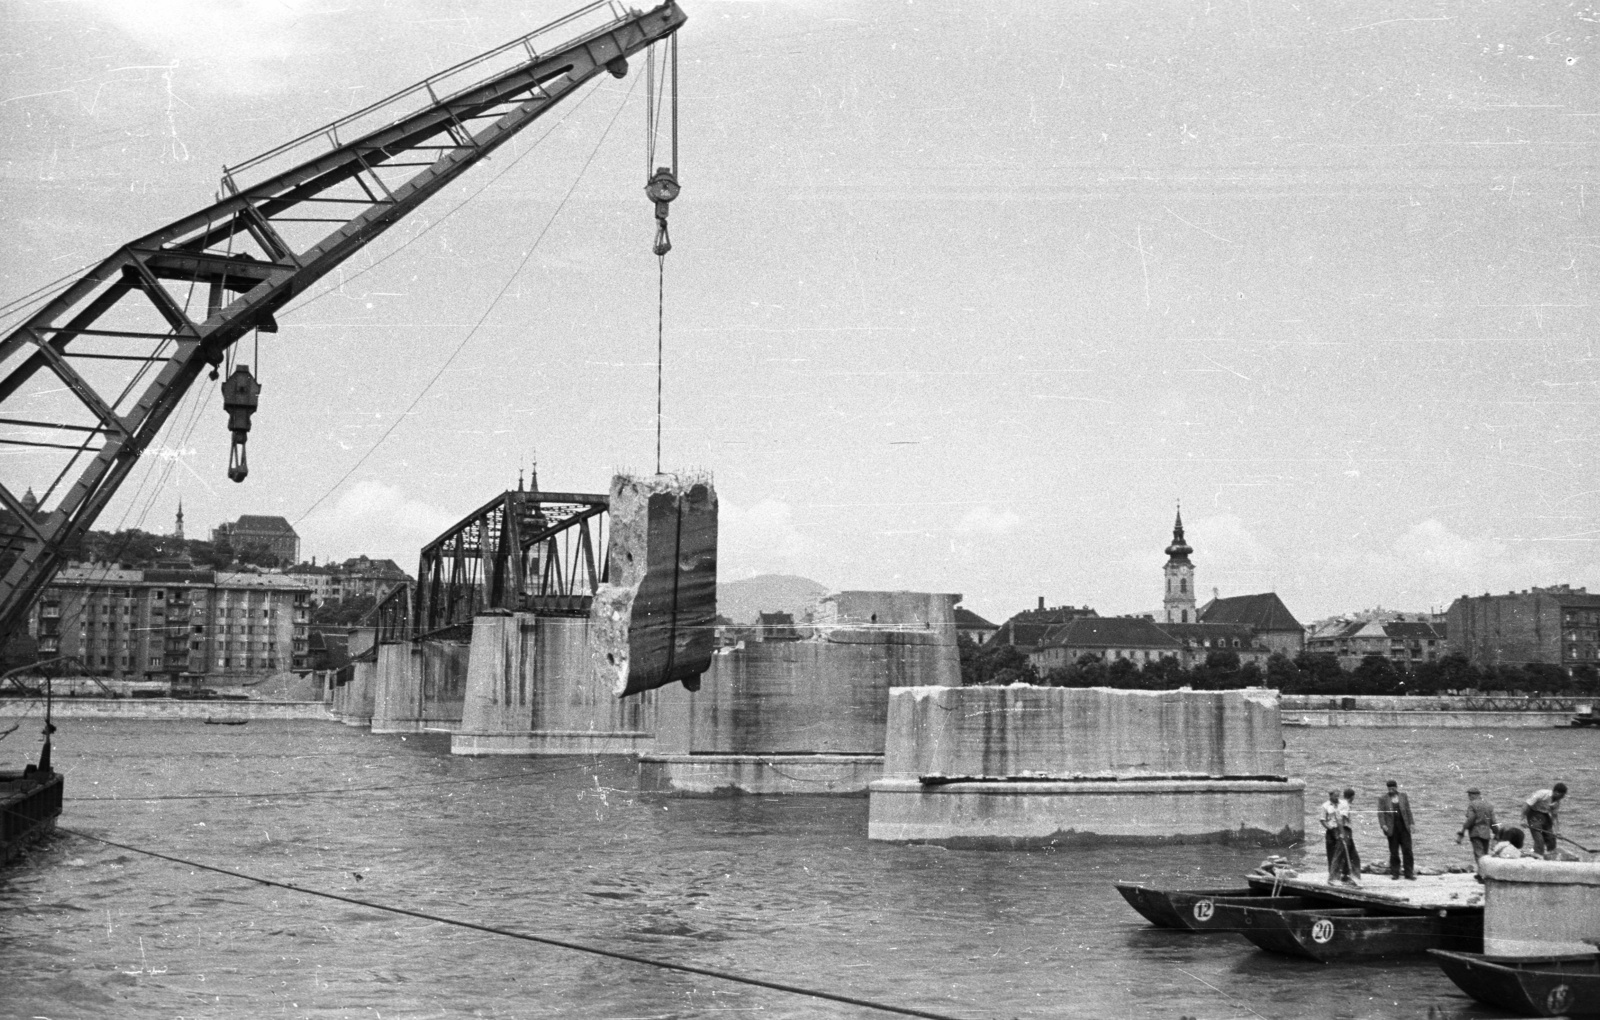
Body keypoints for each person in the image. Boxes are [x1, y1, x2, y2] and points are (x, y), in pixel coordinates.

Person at [1377, 779, 1416, 880]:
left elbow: (1408, 810)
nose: (1391, 790)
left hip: (1404, 828)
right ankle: (1395, 873)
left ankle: (1409, 873)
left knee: (1408, 850)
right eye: (1389, 788)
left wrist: (1411, 824)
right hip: (1392, 829)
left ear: (1396, 787)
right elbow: (1380, 813)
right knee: (1394, 852)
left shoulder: (1403, 796)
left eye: (1393, 788)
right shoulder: (1383, 798)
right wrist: (1383, 825)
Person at [1522, 782, 1567, 857]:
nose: (1562, 797)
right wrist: (1522, 819)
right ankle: (1537, 856)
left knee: (1551, 839)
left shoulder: (1557, 802)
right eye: (1562, 795)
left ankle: (1551, 856)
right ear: (1556, 792)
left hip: (1544, 815)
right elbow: (1527, 804)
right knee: (1539, 841)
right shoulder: (1542, 794)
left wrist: (1557, 831)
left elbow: (1554, 817)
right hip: (1533, 814)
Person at [1456, 787, 1498, 861]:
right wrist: (1497, 833)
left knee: (1478, 854)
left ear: (1474, 795)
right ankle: (1486, 871)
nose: (1469, 797)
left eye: (1469, 795)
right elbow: (1493, 822)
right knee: (1485, 854)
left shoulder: (1472, 805)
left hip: (1475, 832)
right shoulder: (1489, 805)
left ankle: (1481, 871)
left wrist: (1463, 831)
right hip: (1486, 833)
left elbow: (1470, 819)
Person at [1320, 790, 1346, 879]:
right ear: (1330, 796)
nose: (1337, 798)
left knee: (1341, 852)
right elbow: (1322, 820)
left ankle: (1340, 873)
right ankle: (1331, 874)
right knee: (1331, 852)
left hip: (1340, 829)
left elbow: (1344, 817)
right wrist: (1330, 829)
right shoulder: (1325, 806)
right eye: (1335, 796)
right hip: (1331, 830)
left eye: (1338, 796)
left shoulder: (1341, 804)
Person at [1338, 787, 1361, 885]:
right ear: (1352, 797)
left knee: (1347, 854)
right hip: (1345, 831)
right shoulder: (1345, 805)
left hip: (1345, 830)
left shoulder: (1342, 803)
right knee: (1353, 856)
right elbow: (1342, 818)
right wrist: (1342, 833)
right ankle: (1353, 876)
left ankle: (1345, 874)